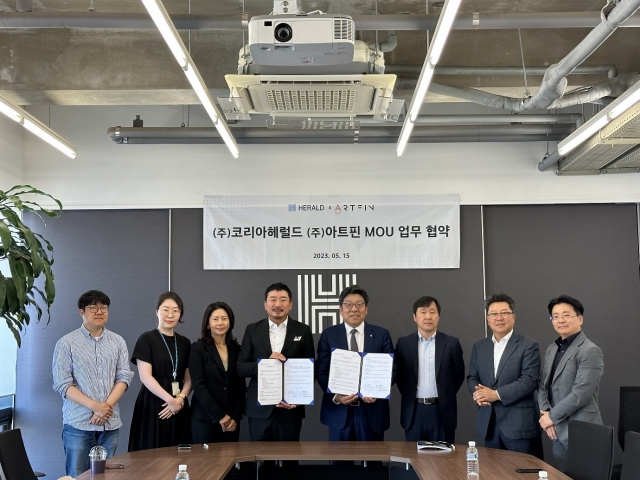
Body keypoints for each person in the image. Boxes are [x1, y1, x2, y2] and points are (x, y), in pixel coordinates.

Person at [52, 290, 134, 478]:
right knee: (78, 475)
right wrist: (95, 407)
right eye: (93, 308)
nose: (99, 311)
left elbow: (124, 377)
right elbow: (62, 384)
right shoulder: (66, 343)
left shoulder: (118, 342)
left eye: (103, 307)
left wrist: (105, 408)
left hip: (109, 424)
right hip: (79, 424)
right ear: (82, 312)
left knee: (106, 476)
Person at [467, 293, 543, 458]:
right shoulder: (479, 347)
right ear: (488, 318)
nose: (499, 318)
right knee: (493, 473)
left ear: (513, 317)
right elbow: (472, 377)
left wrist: (495, 394)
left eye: (504, 313)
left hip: (519, 425)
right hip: (488, 424)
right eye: (493, 314)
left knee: (522, 474)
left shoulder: (528, 345)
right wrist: (479, 394)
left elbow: (529, 381)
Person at [237, 282, 315, 441]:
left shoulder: (303, 330)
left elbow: (310, 370)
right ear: (265, 304)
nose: (278, 304)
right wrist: (266, 365)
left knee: (289, 459)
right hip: (259, 409)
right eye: (273, 299)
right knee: (259, 460)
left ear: (291, 304)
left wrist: (297, 400)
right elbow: (240, 368)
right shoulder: (252, 330)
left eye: (283, 300)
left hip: (290, 409)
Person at [316, 285, 394, 441]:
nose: (354, 309)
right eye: (348, 304)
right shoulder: (328, 335)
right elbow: (322, 371)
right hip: (339, 411)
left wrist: (377, 391)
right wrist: (336, 396)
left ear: (366, 309)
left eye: (359, 304)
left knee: (373, 463)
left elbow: (393, 369)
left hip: (372, 410)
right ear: (340, 309)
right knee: (340, 464)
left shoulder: (381, 334)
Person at [538, 294, 604, 470]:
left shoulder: (590, 350)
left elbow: (581, 394)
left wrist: (551, 417)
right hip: (556, 430)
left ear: (580, 318)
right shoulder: (553, 349)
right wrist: (545, 413)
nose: (560, 320)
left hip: (582, 431)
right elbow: (543, 385)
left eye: (566, 315)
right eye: (556, 316)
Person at [394, 295, 464, 443]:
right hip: (414, 412)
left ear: (438, 316)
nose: (428, 316)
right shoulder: (404, 344)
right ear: (415, 317)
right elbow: (399, 377)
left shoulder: (451, 343)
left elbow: (458, 375)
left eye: (432, 312)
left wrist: (444, 394)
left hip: (442, 411)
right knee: (414, 461)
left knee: (444, 462)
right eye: (423, 312)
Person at [128, 292, 192, 451]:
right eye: (165, 309)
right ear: (157, 311)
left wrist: (180, 399)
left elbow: (189, 379)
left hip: (180, 404)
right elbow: (145, 376)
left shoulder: (184, 342)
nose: (170, 315)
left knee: (180, 452)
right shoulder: (147, 339)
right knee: (152, 451)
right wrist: (170, 400)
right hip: (154, 402)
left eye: (175, 310)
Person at [189, 302, 246, 443]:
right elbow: (198, 385)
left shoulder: (238, 349)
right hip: (204, 418)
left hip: (231, 421)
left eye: (224, 318)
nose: (220, 323)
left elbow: (240, 387)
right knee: (205, 463)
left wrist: (234, 416)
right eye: (215, 319)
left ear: (230, 322)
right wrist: (219, 415)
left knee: (230, 462)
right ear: (208, 324)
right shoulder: (198, 348)